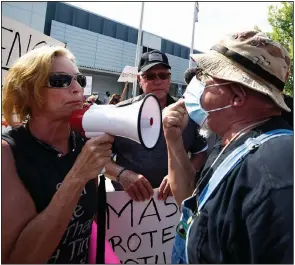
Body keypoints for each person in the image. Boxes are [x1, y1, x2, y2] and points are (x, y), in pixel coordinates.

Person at [163, 30, 293, 263]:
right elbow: (190, 199)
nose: (196, 86)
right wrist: (173, 140)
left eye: (205, 77)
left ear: (237, 97)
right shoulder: (233, 145)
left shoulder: (276, 169)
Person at [1, 46, 114, 263]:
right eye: (60, 81)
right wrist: (77, 177)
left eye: (79, 80)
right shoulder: (9, 153)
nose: (77, 89)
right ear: (29, 92)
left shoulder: (82, 144)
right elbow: (18, 259)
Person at [105, 50, 208, 202]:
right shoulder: (119, 113)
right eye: (150, 76)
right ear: (139, 79)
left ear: (169, 78)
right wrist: (122, 175)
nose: (158, 81)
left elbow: (200, 153)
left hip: (171, 206)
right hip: (126, 208)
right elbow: (99, 158)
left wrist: (179, 175)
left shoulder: (188, 113)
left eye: (163, 75)